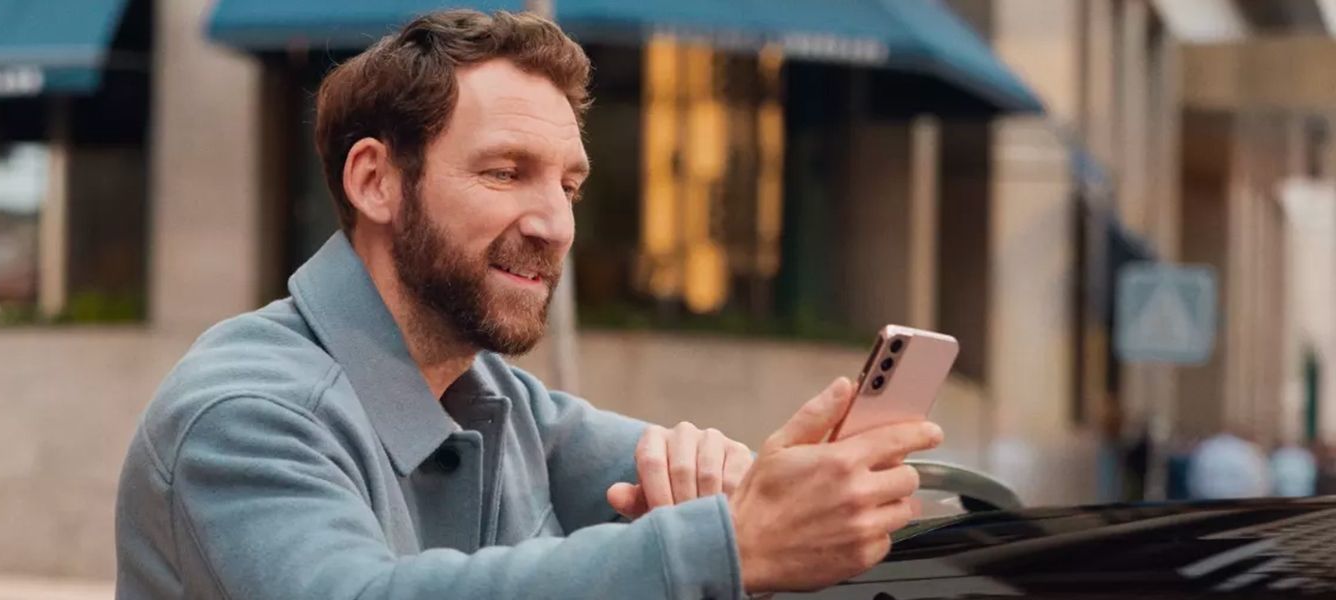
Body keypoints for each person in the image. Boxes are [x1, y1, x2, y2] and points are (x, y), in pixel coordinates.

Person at [114, 10, 943, 598]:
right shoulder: (242, 415)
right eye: (505, 172)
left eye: (570, 185)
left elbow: (705, 493)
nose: (555, 225)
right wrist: (732, 543)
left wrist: (747, 484)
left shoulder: (495, 399)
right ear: (375, 181)